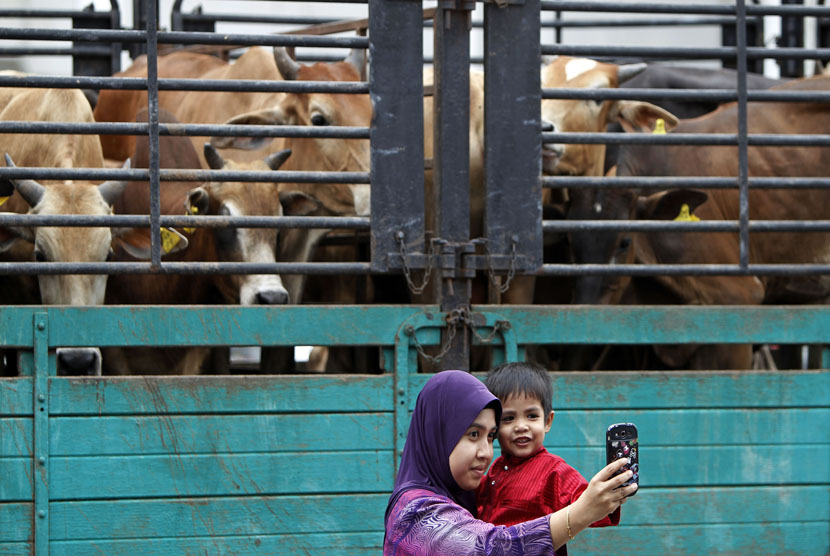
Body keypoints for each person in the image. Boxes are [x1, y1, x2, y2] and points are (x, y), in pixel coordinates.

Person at [384, 370, 636, 556]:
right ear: (438, 434)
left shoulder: (464, 495)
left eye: (490, 436)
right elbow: (490, 549)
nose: (485, 452)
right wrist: (579, 513)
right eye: (473, 434)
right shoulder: (417, 514)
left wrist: (601, 499)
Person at [477, 362, 625, 555]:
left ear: (547, 421)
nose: (521, 426)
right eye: (508, 418)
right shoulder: (495, 468)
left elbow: (588, 504)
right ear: (494, 427)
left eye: (531, 416)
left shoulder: (554, 471)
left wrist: (608, 491)